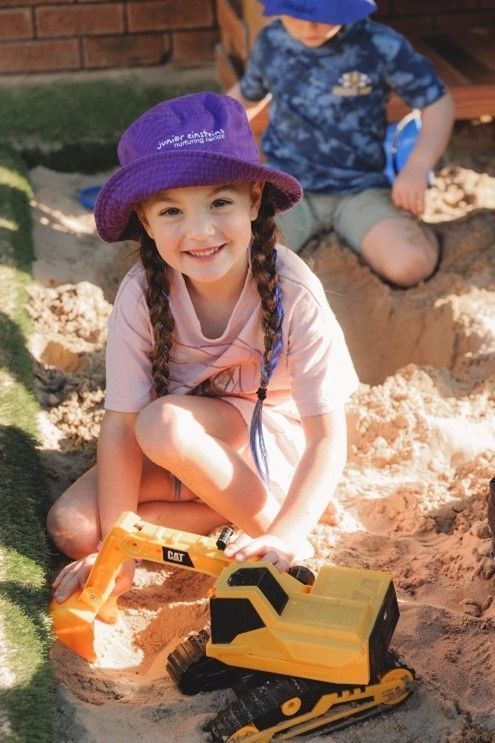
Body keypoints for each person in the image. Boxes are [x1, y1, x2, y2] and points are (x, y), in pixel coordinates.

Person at [48, 92, 359, 603]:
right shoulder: (141, 294)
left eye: (220, 202)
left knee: (163, 422)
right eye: (171, 211)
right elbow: (121, 427)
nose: (199, 231)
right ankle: (224, 515)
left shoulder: (293, 292)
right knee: (74, 527)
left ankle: (271, 530)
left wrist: (284, 535)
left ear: (254, 199)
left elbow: (327, 438)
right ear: (146, 222)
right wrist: (117, 551)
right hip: (180, 456)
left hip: (264, 445)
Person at [229, 0, 455, 288]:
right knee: (247, 261)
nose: (309, 26)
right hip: (288, 188)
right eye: (298, 14)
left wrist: (417, 167)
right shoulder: (272, 42)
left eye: (324, 15)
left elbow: (438, 103)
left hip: (359, 190)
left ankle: (404, 232)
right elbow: (246, 98)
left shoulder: (379, 45)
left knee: (411, 264)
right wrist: (208, 128)